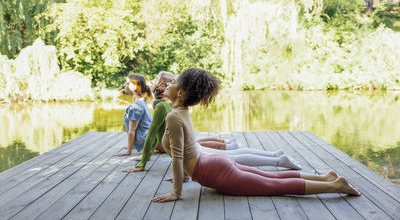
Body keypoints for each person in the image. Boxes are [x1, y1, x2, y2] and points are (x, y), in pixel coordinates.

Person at [151, 68, 361, 203]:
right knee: (273, 178)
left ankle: (334, 185)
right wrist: (186, 176)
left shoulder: (173, 117)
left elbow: (179, 157)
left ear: (180, 94)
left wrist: (176, 192)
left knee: (275, 185)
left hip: (214, 171)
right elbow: (186, 151)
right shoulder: (181, 113)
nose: (167, 84)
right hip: (213, 165)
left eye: (172, 82)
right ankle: (325, 177)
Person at [122, 71, 301, 172]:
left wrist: (142, 163)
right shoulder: (171, 105)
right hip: (190, 151)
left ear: (161, 86)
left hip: (191, 154)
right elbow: (158, 138)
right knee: (234, 157)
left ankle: (278, 160)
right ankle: (276, 157)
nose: (152, 83)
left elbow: (153, 134)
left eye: (156, 81)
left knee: (234, 159)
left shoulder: (162, 107)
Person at [118, 74, 153, 156]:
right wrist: (132, 145)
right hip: (149, 139)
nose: (125, 85)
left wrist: (128, 151)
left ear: (134, 87)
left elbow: (132, 131)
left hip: (147, 141)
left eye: (127, 83)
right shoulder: (141, 102)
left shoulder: (136, 106)